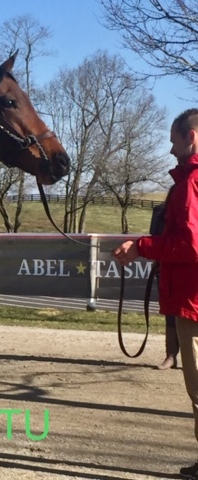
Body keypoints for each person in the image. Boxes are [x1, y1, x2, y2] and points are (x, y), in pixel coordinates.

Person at [113, 108, 198, 479]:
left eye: (173, 139)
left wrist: (142, 247)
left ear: (190, 137)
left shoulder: (191, 183)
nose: (169, 148)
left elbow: (191, 245)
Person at [149, 202, 179, 370]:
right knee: (170, 311)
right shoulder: (160, 211)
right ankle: (171, 355)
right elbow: (154, 239)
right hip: (167, 266)